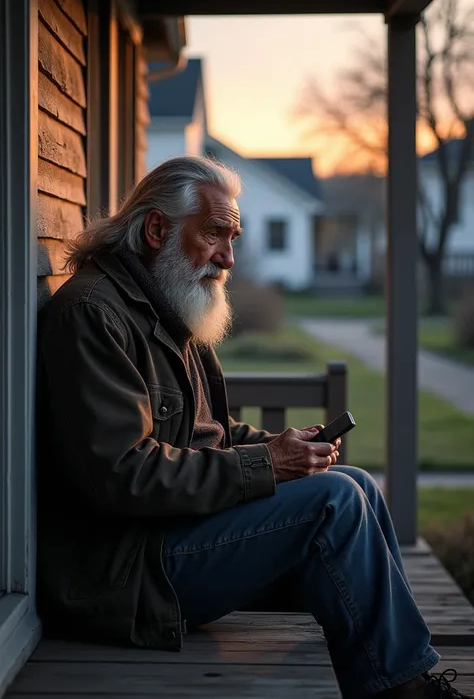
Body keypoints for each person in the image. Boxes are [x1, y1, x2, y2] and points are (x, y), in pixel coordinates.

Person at [36, 156, 470, 699]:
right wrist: (267, 465)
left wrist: (282, 447)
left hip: (172, 539)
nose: (229, 257)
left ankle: (398, 664)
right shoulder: (93, 315)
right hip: (130, 574)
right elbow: (124, 475)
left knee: (356, 483)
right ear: (155, 229)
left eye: (233, 236)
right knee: (333, 501)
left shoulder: (161, 308)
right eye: (216, 233)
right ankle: (401, 689)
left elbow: (210, 434)